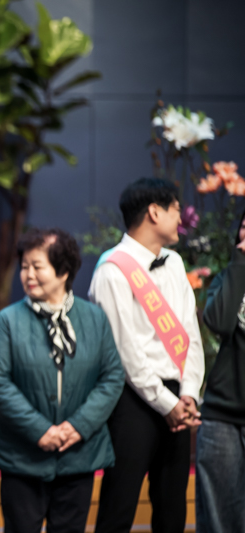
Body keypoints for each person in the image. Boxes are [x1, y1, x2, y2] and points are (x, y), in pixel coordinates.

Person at [0, 228, 124, 533]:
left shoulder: (94, 318)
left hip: (78, 454)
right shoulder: (9, 320)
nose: (28, 275)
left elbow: (112, 376)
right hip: (22, 455)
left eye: (37, 267)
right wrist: (40, 429)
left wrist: (78, 426)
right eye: (24, 266)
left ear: (63, 272)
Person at [89, 178, 205, 533]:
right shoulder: (112, 269)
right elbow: (123, 350)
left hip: (178, 398)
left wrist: (188, 393)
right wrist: (165, 403)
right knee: (119, 507)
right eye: (175, 210)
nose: (180, 219)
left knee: (172, 509)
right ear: (155, 212)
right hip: (132, 400)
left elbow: (190, 333)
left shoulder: (174, 262)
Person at [195, 209, 245, 533]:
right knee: (219, 523)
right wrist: (239, 265)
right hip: (222, 417)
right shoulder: (229, 277)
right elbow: (220, 322)